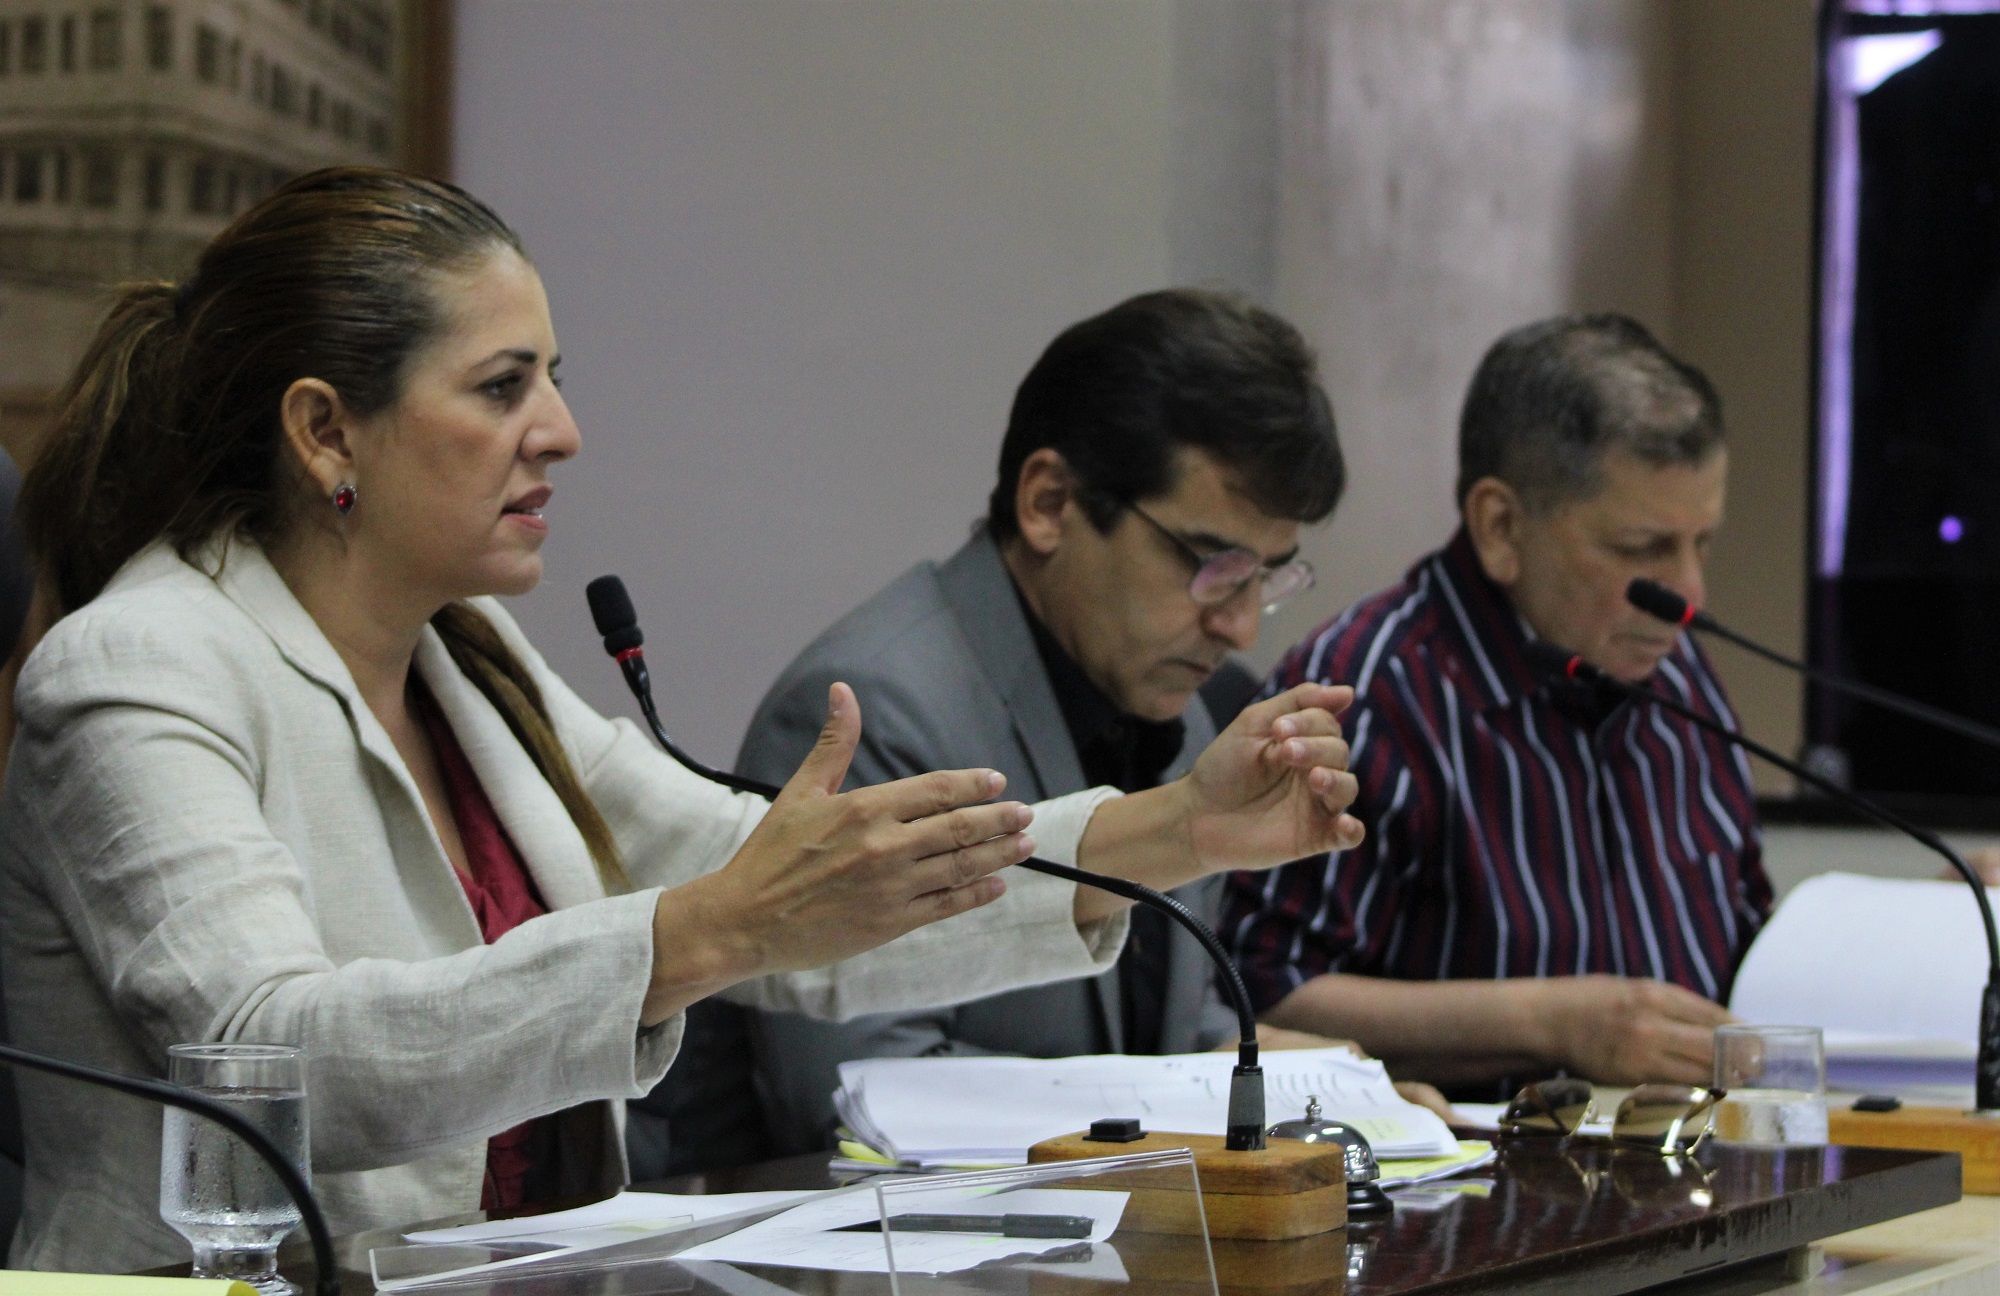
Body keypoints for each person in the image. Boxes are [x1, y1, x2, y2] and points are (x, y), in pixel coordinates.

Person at [0, 170, 1367, 1272]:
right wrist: (704, 931)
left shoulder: (467, 657)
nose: (562, 430)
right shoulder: (134, 671)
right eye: (502, 386)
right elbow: (272, 1058)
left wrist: (1179, 828)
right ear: (324, 433)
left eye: (553, 376)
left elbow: (784, 886)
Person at [733, 290, 1355, 1154]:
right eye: (1213, 566)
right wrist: (1184, 1104)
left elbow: (1164, 1030)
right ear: (1051, 503)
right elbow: (856, 1099)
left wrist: (1304, 1085)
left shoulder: (1187, 704)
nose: (1241, 625)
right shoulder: (871, 715)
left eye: (1267, 577)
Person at [1225, 313, 1774, 1100]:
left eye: (1703, 543)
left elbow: (1744, 935)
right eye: (1642, 549)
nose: (1689, 594)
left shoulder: (1678, 676)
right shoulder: (1363, 694)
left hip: (1696, 1154)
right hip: (1474, 1168)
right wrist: (1545, 1024)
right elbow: (1258, 995)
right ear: (1501, 527)